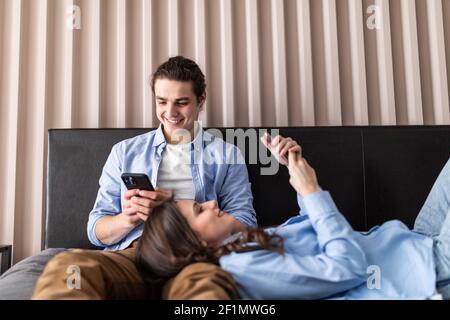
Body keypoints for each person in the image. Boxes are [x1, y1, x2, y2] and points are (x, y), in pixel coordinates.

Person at [32, 56, 257, 299]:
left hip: (193, 256)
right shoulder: (125, 152)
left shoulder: (226, 154)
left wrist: (181, 215)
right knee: (70, 267)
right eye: (162, 102)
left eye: (181, 102)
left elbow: (246, 220)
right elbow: (95, 229)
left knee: (207, 289)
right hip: (134, 253)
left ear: (201, 100)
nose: (170, 113)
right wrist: (129, 218)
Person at [135, 133, 450, 299]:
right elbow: (348, 267)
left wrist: (297, 171)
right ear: (193, 243)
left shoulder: (242, 248)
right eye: (200, 211)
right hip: (426, 273)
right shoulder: (243, 267)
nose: (214, 205)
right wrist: (311, 190)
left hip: (414, 245)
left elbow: (312, 231)